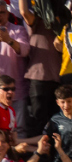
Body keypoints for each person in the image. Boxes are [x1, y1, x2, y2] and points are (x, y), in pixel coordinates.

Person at [18, 0, 61, 138]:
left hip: (59, 79)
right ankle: (38, 157)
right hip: (38, 79)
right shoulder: (36, 21)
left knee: (57, 124)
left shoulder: (63, 23)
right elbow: (24, 11)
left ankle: (55, 156)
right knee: (38, 122)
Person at [0, 1, 29, 138]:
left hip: (16, 92)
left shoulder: (18, 30)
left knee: (19, 131)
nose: (0, 16)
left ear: (8, 13)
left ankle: (19, 160)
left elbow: (25, 51)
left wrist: (8, 40)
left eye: (2, 12)